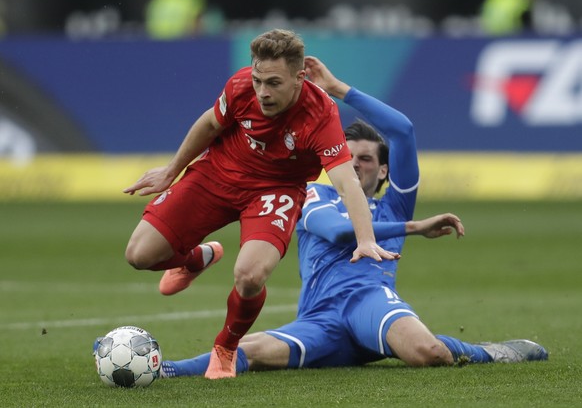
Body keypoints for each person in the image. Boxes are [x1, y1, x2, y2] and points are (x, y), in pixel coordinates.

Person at [158, 56, 548, 378]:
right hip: (319, 319)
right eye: (348, 157)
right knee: (253, 350)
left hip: (370, 302)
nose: (355, 165)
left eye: (366, 159)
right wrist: (415, 228)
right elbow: (341, 231)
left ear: (383, 172)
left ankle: (489, 352)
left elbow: (404, 131)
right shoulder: (308, 193)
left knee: (429, 353)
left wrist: (340, 90)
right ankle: (166, 369)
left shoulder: (394, 205)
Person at [123, 30, 397, 380]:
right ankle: (195, 259)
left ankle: (225, 347)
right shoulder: (239, 87)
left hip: (275, 190)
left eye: (273, 82)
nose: (262, 91)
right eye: (257, 80)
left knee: (250, 276)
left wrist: (366, 239)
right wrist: (171, 171)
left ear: (299, 78)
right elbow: (209, 124)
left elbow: (345, 181)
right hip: (219, 173)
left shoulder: (320, 114)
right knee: (139, 255)